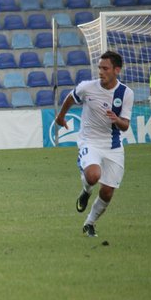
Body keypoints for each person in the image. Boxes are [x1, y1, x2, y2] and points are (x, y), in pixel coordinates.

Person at [55, 51, 134, 237]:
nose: (101, 72)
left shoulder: (126, 93)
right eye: (99, 68)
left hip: (113, 146)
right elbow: (70, 97)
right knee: (93, 175)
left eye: (105, 68)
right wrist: (60, 116)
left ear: (116, 70)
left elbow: (125, 125)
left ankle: (89, 223)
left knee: (107, 193)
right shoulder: (87, 87)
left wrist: (116, 119)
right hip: (89, 141)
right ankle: (86, 190)